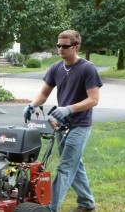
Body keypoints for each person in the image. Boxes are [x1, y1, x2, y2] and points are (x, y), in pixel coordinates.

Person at [23, 30, 102, 212]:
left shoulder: (87, 68)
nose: (60, 49)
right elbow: (44, 93)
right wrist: (32, 105)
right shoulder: (57, 68)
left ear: (76, 47)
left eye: (65, 46)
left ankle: (50, 208)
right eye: (58, 45)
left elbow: (93, 99)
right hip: (61, 125)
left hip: (80, 125)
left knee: (65, 166)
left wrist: (69, 108)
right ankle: (87, 204)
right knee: (75, 164)